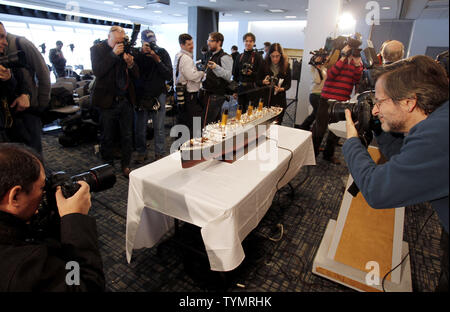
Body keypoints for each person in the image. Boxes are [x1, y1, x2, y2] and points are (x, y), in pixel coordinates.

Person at [343, 55, 449, 292]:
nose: (376, 109)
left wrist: (351, 142)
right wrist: (379, 126)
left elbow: (377, 190)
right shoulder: (437, 119)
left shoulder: (438, 136)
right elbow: (405, 157)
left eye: (380, 102)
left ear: (409, 102)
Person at [0, 143, 105, 291]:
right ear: (15, 197)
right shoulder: (24, 267)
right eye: (42, 187)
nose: (45, 192)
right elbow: (86, 284)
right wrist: (75, 220)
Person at [90, 26, 139, 178]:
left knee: (127, 135)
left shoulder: (127, 49)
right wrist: (113, 54)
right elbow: (98, 71)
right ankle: (108, 167)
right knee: (107, 136)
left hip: (125, 100)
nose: (120, 43)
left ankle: (126, 165)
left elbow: (136, 75)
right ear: (109, 37)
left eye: (122, 40)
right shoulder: (97, 49)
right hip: (107, 101)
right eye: (117, 40)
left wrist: (130, 64)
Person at [311, 44, 363, 164]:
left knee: (335, 132)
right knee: (319, 129)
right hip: (327, 99)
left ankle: (328, 154)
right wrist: (343, 57)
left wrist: (356, 64)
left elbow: (357, 80)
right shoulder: (335, 58)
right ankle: (312, 154)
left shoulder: (356, 63)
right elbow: (332, 73)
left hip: (342, 100)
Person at [4, 22, 51, 156]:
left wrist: (41, 105)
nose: (4, 43)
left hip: (28, 110)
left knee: (33, 155)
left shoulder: (20, 43)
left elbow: (43, 72)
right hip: (8, 115)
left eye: (3, 37)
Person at [133, 29, 172, 163]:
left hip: (158, 93)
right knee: (140, 127)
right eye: (148, 43)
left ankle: (159, 153)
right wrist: (140, 55)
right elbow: (134, 72)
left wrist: (158, 60)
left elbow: (168, 75)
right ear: (142, 42)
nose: (151, 46)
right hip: (141, 94)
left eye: (152, 42)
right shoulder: (137, 54)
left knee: (159, 127)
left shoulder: (162, 52)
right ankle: (141, 152)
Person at [174, 33, 205, 138]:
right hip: (189, 94)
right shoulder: (186, 58)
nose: (192, 46)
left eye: (192, 43)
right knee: (195, 122)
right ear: (182, 45)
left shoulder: (178, 55)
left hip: (180, 93)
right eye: (188, 44)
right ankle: (194, 146)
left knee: (183, 120)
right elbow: (191, 76)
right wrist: (202, 73)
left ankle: (181, 146)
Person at [199, 32, 233, 126]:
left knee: (206, 124)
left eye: (211, 41)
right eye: (208, 40)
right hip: (209, 93)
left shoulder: (225, 57)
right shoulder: (212, 55)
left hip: (215, 95)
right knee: (213, 124)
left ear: (219, 42)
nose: (208, 43)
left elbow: (228, 76)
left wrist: (216, 67)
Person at [258, 43, 291, 124]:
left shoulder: (286, 66)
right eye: (273, 56)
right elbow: (257, 81)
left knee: (276, 127)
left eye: (277, 56)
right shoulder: (264, 64)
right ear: (269, 55)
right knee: (263, 125)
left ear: (281, 55)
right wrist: (263, 81)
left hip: (279, 101)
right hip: (266, 100)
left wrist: (281, 89)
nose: (275, 59)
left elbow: (288, 84)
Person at [232, 33, 264, 113]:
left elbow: (261, 75)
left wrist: (252, 73)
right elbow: (235, 75)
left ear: (254, 43)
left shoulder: (258, 57)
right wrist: (234, 90)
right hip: (241, 88)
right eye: (246, 41)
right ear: (243, 42)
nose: (248, 43)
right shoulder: (239, 56)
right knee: (240, 113)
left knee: (251, 114)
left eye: (251, 41)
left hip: (252, 88)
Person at [298, 50, 328, 130]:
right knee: (317, 114)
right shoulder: (312, 67)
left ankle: (305, 128)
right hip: (315, 95)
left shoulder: (324, 67)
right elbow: (317, 81)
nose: (320, 59)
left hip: (322, 95)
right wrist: (317, 68)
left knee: (317, 114)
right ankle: (304, 127)